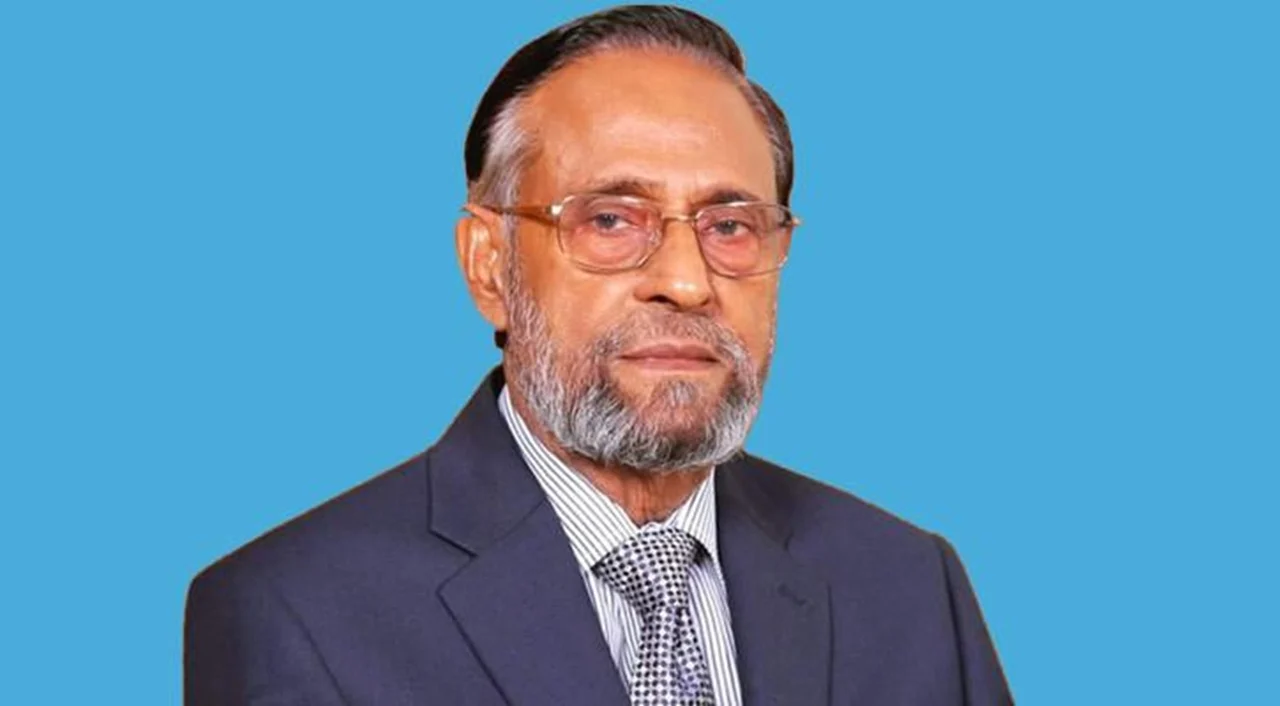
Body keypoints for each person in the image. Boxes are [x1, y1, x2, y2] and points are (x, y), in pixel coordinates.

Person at [184, 5, 1013, 705]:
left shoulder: (909, 585)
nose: (686, 282)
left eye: (730, 226)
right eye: (611, 220)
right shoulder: (294, 612)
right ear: (489, 266)